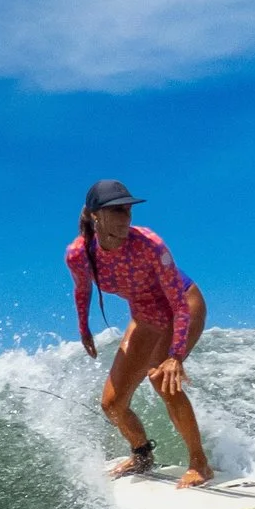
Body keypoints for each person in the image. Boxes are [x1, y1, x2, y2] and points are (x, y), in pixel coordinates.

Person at [68, 178, 212, 487]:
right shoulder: (80, 254)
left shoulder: (149, 244)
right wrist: (84, 328)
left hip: (182, 305)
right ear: (95, 215)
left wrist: (175, 356)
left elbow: (178, 302)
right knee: (112, 404)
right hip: (145, 317)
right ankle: (142, 454)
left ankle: (200, 463)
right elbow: (82, 290)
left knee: (163, 378)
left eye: (128, 210)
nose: (125, 218)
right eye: (116, 211)